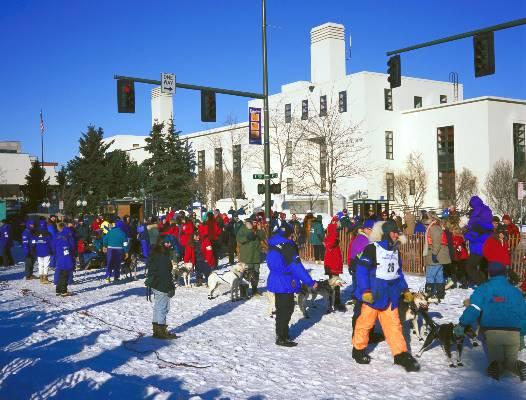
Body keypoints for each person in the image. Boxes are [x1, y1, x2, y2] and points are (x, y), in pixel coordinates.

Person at [352, 220, 420, 372]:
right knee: (365, 324)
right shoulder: (372, 249)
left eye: (398, 232)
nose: (397, 235)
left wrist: (405, 289)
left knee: (394, 326)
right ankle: (358, 350)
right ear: (386, 234)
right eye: (394, 232)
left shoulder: (395, 251)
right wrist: (365, 291)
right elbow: (361, 270)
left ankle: (400, 354)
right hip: (373, 295)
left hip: (390, 295)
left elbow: (398, 273)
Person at [454, 262, 526, 381]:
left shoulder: (483, 289)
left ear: (489, 274)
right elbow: (523, 315)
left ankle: (496, 367)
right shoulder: (515, 292)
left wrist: (462, 324)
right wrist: (522, 334)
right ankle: (517, 366)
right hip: (513, 333)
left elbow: (474, 309)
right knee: (510, 361)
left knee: (496, 361)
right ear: (505, 274)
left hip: (493, 333)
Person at [266, 224, 317, 347]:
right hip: (285, 281)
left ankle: (281, 333)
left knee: (281, 309)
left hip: (275, 278)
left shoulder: (273, 243)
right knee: (286, 309)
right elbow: (296, 267)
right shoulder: (288, 247)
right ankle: (282, 337)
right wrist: (310, 282)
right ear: (290, 234)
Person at [145, 238, 178, 339]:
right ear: (162, 244)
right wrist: (171, 287)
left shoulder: (155, 254)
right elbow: (165, 274)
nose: (169, 244)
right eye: (167, 243)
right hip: (161, 285)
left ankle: (156, 330)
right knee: (163, 308)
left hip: (155, 284)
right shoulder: (163, 257)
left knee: (158, 307)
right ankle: (161, 331)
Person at [464, 196, 494, 286]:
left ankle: (483, 286)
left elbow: (476, 231)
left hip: (478, 246)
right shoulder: (484, 212)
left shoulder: (478, 216)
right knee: (482, 267)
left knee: (469, 267)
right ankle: (484, 286)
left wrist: (466, 235)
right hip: (483, 245)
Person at [424, 211, 451, 300]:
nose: (425, 220)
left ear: (431, 218)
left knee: (430, 275)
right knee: (439, 275)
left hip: (436, 254)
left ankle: (429, 293)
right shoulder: (436, 226)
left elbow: (436, 242)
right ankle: (440, 293)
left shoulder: (434, 228)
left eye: (427, 218)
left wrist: (434, 254)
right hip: (441, 255)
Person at [237, 217, 265, 296]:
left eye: (257, 222)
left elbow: (262, 237)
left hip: (256, 256)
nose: (256, 224)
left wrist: (260, 230)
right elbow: (239, 239)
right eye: (254, 222)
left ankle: (254, 289)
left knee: (256, 273)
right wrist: (248, 237)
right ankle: (243, 291)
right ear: (250, 222)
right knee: (245, 274)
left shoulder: (257, 230)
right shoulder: (243, 228)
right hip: (246, 256)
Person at [324, 216, 345, 311]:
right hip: (333, 262)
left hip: (331, 261)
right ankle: (335, 302)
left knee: (333, 283)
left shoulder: (330, 232)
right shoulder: (333, 232)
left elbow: (326, 243)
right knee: (335, 283)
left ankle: (332, 301)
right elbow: (330, 243)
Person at [53, 222, 76, 296]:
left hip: (59, 255)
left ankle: (58, 290)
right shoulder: (69, 234)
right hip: (67, 255)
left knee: (61, 272)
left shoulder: (56, 235)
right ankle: (64, 291)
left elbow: (53, 245)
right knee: (65, 273)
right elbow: (72, 245)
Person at [33, 220, 53, 284]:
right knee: (46, 265)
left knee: (40, 265)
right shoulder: (48, 234)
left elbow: (34, 243)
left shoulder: (36, 234)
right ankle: (45, 277)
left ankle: (41, 278)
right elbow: (51, 243)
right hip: (46, 251)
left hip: (38, 252)